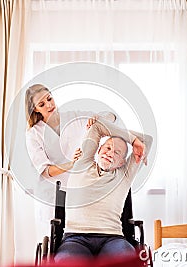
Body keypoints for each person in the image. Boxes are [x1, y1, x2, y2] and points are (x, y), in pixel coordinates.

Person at [54, 118, 153, 262]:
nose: (110, 153)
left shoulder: (124, 176)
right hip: (75, 238)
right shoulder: (83, 163)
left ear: (122, 162)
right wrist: (131, 139)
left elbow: (147, 140)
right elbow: (98, 127)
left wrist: (134, 142)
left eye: (117, 152)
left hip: (113, 239)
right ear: (98, 150)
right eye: (107, 148)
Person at [24, 84, 116, 239]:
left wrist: (99, 118)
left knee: (82, 237)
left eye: (49, 99)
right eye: (42, 104)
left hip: (80, 190)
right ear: (35, 109)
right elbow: (45, 170)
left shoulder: (73, 117)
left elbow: (111, 117)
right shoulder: (34, 133)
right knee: (56, 240)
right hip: (53, 194)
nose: (49, 105)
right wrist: (72, 164)